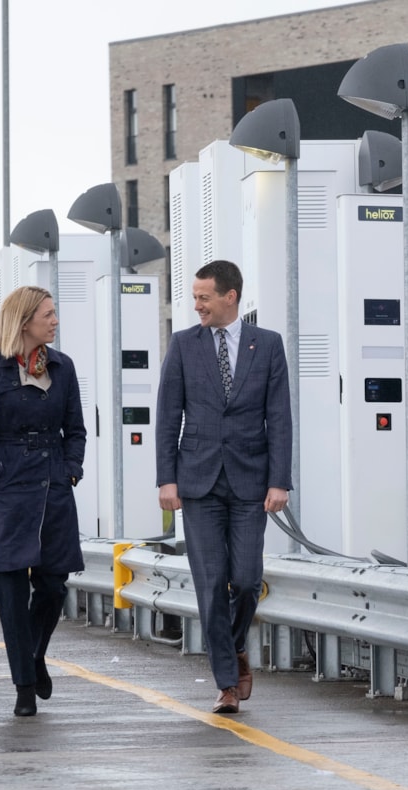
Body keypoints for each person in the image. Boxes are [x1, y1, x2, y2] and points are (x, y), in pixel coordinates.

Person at [156, 259, 292, 714]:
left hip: (251, 481)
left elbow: (281, 419)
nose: (197, 306)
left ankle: (234, 647)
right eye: (195, 297)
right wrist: (166, 479)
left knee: (248, 580)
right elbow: (167, 415)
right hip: (197, 481)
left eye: (203, 297)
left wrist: (279, 481)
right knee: (212, 583)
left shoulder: (267, 345)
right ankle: (227, 682)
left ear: (229, 296)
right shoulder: (183, 345)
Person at [0, 285, 86, 717]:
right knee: (11, 592)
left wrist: (71, 468)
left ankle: (34, 657)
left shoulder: (63, 367)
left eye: (55, 313)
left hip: (53, 485)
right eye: (48, 315)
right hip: (6, 492)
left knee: (53, 584)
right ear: (24, 321)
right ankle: (23, 686)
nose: (55, 321)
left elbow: (75, 429)